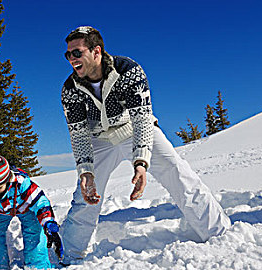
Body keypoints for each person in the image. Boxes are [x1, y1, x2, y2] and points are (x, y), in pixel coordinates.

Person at [59, 26, 231, 264]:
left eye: (76, 53)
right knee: (86, 194)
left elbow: (142, 118)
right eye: (68, 55)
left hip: (133, 129)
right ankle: (71, 256)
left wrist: (141, 161)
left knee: (177, 171)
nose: (71, 59)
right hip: (99, 139)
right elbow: (78, 134)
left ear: (96, 51)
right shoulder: (70, 89)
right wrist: (86, 171)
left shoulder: (128, 71)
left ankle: (220, 233)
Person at [0, 153, 63, 270]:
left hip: (26, 208)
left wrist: (48, 223)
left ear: (7, 180)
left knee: (34, 232)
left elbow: (41, 204)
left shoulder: (22, 184)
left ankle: (37, 265)